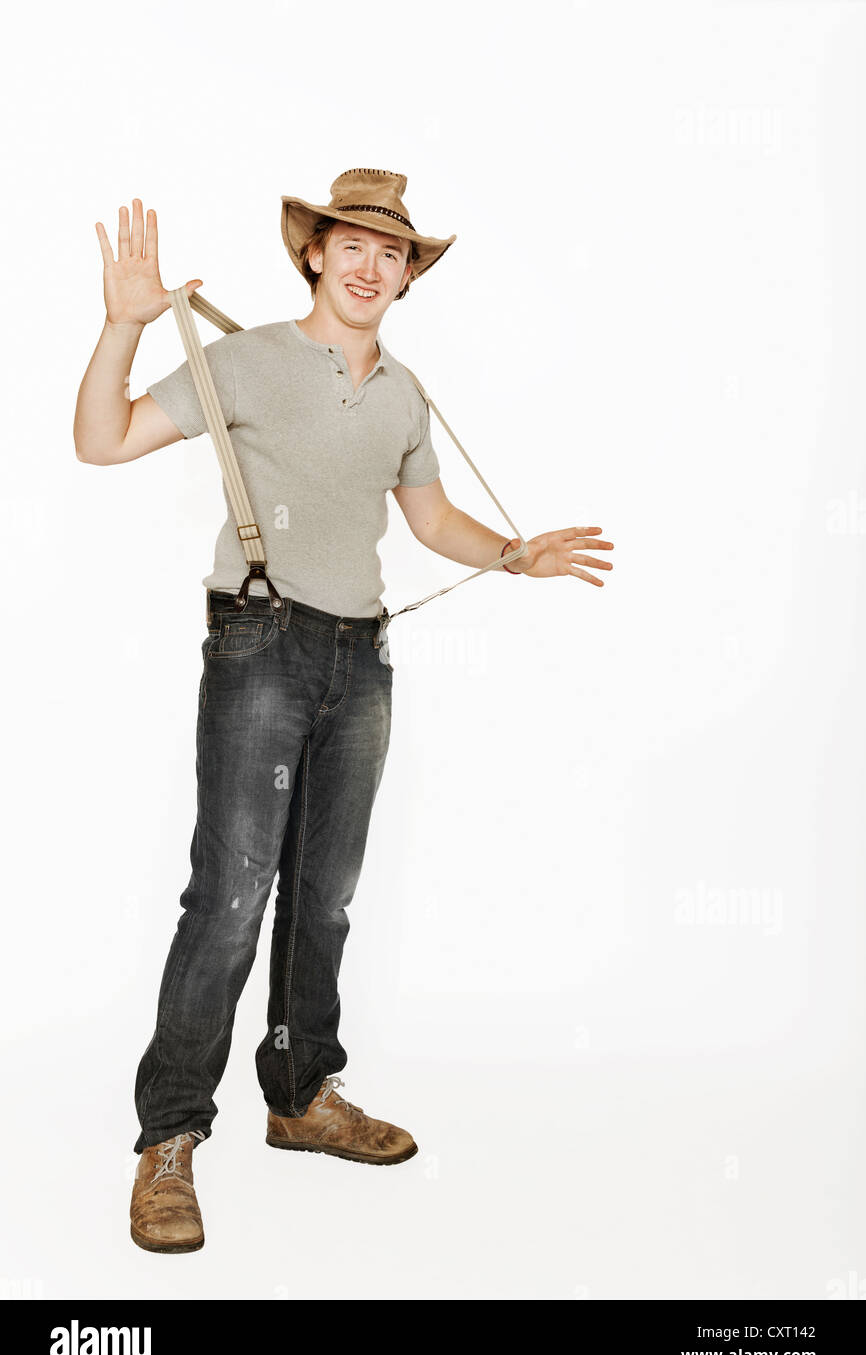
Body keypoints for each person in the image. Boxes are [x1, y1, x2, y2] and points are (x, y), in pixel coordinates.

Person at [73, 169, 614, 1254]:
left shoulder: (405, 393)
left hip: (358, 660)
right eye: (352, 244)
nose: (371, 265)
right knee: (228, 898)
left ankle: (299, 1092)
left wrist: (511, 555)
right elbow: (103, 439)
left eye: (393, 252)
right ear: (313, 253)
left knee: (322, 900)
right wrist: (120, 329)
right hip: (260, 645)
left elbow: (430, 518)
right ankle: (168, 1138)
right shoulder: (249, 358)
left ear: (407, 276)